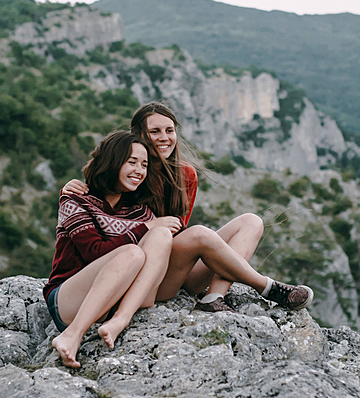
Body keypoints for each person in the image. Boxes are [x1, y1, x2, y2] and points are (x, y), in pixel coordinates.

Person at [64, 101, 312, 312]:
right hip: (144, 276)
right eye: (155, 131)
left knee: (251, 221)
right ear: (138, 136)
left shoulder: (185, 175)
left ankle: (214, 298)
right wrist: (72, 186)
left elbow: (179, 232)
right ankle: (266, 286)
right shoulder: (130, 176)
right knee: (200, 233)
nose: (164, 138)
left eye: (169, 130)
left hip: (177, 267)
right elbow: (98, 204)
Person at [44, 130, 180, 368]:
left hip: (115, 301)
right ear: (112, 162)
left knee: (161, 234)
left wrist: (156, 227)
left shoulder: (139, 211)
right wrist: (145, 228)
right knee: (133, 251)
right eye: (132, 162)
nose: (139, 170)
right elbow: (95, 252)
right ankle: (72, 335)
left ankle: (121, 319)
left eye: (144, 164)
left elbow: (162, 243)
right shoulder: (75, 200)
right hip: (69, 299)